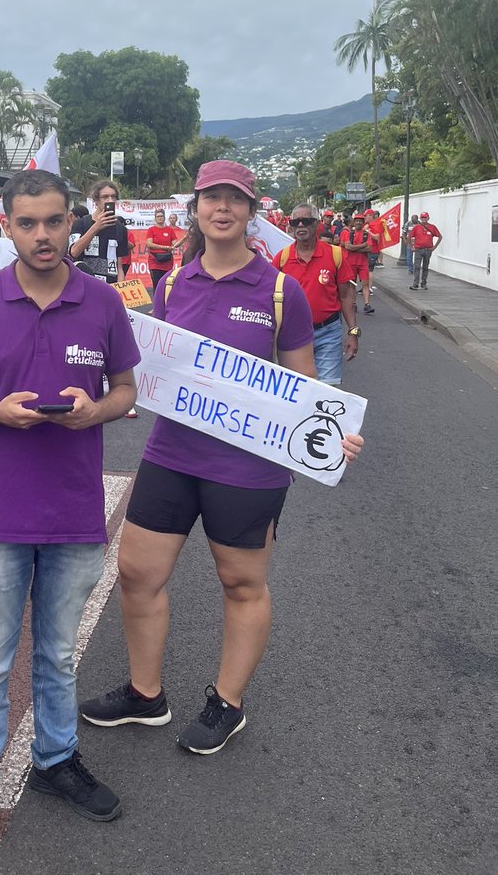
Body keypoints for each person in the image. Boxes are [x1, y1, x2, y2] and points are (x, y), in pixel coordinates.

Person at [79, 159, 363, 757]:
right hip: (172, 454)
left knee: (241, 582)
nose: (222, 208)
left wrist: (332, 435)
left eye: (235, 198)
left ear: (251, 210)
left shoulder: (281, 291)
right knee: (136, 572)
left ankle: (227, 703)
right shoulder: (173, 284)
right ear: (198, 209)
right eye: (212, 198)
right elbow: (153, 364)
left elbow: (306, 387)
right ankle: (145, 693)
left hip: (248, 468)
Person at [0, 169, 139, 864]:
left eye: (55, 221)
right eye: (28, 223)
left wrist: (95, 412)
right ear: (8, 227)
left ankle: (57, 761)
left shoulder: (103, 302)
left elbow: (125, 391)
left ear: (69, 221)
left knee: (56, 655)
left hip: (75, 511)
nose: (44, 235)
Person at [275, 205, 360, 384]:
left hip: (328, 332)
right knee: (296, 388)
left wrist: (353, 332)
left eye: (305, 221)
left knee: (327, 391)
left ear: (317, 224)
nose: (300, 226)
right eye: (295, 222)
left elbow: (346, 296)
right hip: (293, 333)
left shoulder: (334, 255)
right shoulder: (282, 258)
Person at [68, 181, 130, 283]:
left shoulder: (120, 228)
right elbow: (74, 252)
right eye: (105, 197)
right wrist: (96, 227)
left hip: (109, 285)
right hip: (84, 283)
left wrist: (120, 288)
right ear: (96, 200)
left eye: (113, 196)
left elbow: (119, 266)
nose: (110, 200)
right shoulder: (81, 223)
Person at [343, 212, 374, 314]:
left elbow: (369, 248)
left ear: (363, 222)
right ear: (354, 222)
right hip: (351, 263)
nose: (358, 223)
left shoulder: (366, 234)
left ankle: (367, 304)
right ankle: (353, 303)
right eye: (357, 221)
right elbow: (347, 247)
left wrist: (354, 248)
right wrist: (362, 246)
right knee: (352, 285)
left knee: (365, 283)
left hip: (363, 263)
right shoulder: (349, 234)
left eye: (360, 221)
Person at [145, 207, 177, 292]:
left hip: (167, 260)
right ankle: (157, 303)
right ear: (155, 218)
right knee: (157, 283)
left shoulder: (170, 230)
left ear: (164, 218)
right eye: (158, 216)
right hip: (154, 260)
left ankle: (166, 303)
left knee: (167, 283)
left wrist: (184, 239)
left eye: (161, 216)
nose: (160, 218)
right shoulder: (151, 229)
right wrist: (164, 247)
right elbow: (149, 244)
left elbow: (175, 244)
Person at [408, 211, 441, 290]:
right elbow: (409, 237)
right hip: (418, 250)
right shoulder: (416, 227)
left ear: (428, 218)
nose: (424, 219)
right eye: (422, 217)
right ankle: (415, 284)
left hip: (428, 250)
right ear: (420, 218)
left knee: (425, 267)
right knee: (417, 266)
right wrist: (411, 246)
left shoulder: (432, 227)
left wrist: (434, 247)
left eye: (425, 217)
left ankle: (424, 283)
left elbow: (440, 237)